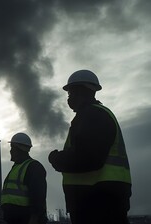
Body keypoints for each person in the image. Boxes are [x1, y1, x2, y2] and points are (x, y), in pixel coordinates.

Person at [48, 70, 132, 224]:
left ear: (80, 91)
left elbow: (88, 159)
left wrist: (56, 159)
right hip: (99, 200)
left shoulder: (93, 116)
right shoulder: (91, 115)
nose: (69, 99)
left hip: (98, 202)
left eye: (70, 94)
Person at [1, 132, 47, 224]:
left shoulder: (33, 167)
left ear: (19, 149)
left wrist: (34, 219)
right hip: (14, 220)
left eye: (12, 148)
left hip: (26, 219)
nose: (10, 151)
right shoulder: (17, 167)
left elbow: (38, 197)